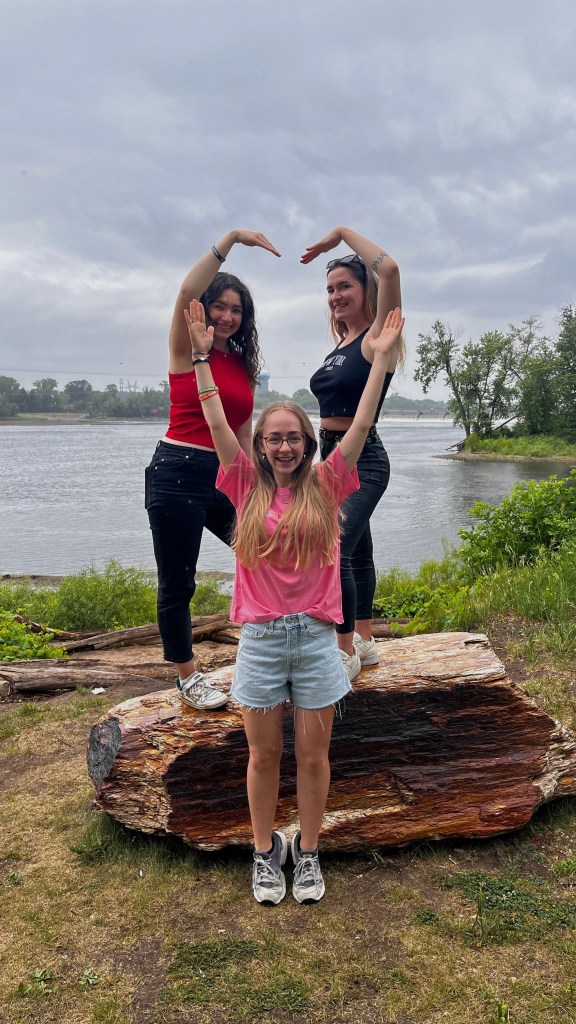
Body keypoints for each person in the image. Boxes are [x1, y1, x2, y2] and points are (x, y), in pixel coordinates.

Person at [184, 296, 404, 905]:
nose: (284, 447)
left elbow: (360, 427)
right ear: (261, 446)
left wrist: (380, 363)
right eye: (274, 439)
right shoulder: (242, 483)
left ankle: (307, 852)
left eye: (294, 438)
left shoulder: (329, 484)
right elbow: (216, 424)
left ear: (308, 443)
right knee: (262, 758)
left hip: (314, 641)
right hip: (259, 641)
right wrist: (201, 359)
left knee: (312, 758)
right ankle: (265, 853)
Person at [145, 230, 280, 711]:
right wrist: (232, 240)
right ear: (204, 308)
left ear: (245, 318)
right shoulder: (187, 346)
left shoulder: (243, 364)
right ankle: (187, 676)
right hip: (177, 470)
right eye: (219, 306)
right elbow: (186, 290)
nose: (226, 316)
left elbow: (242, 430)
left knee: (266, 553)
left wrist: (259, 486)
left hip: (227, 477)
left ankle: (274, 647)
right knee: (178, 581)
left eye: (235, 310)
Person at [304, 227, 403, 682]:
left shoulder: (377, 336)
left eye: (344, 286)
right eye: (330, 289)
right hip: (329, 457)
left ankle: (344, 650)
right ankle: (364, 638)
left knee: (335, 547)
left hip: (364, 458)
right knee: (358, 551)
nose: (335, 296)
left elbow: (390, 269)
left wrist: (342, 233)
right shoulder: (341, 344)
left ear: (367, 291)